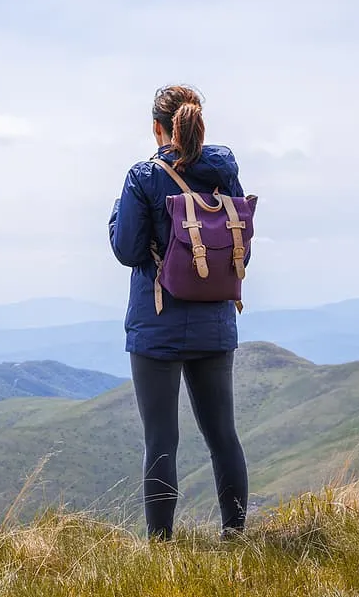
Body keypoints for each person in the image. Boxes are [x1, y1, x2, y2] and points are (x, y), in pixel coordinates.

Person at [107, 84, 249, 540]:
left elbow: (128, 250)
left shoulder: (142, 177)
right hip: (214, 322)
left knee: (161, 441)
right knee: (222, 435)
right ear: (198, 123)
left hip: (157, 325)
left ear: (157, 128)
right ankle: (235, 536)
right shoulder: (223, 170)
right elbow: (240, 247)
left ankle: (162, 548)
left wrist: (117, 211)